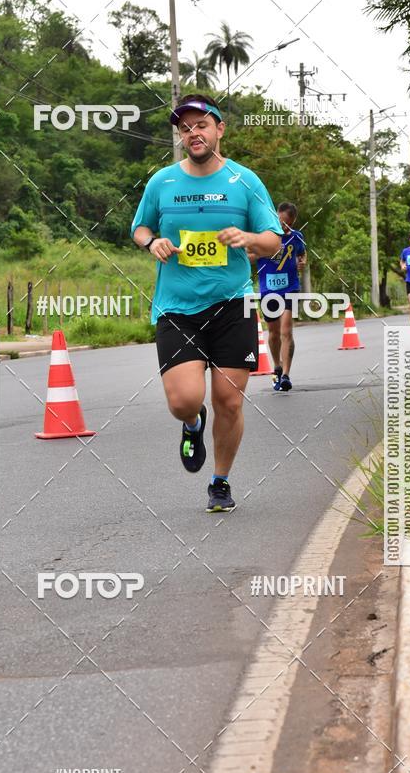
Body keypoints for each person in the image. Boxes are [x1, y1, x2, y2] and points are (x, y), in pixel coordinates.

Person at [130, 94, 283, 512]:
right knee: (183, 400)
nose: (193, 134)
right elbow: (140, 227)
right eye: (185, 129)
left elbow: (273, 240)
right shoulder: (162, 182)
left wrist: (248, 238)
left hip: (232, 305)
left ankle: (220, 481)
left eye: (201, 125)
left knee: (229, 401)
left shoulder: (245, 181)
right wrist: (153, 242)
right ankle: (192, 425)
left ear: (219, 129)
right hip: (177, 307)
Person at [253, 202, 306, 391]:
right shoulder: (265, 236)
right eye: (280, 221)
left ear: (293, 222)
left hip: (290, 288)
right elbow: (249, 255)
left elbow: (302, 254)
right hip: (268, 290)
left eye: (287, 224)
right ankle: (277, 366)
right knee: (274, 333)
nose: (283, 227)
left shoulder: (297, 237)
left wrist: (301, 262)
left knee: (286, 330)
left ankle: (286, 376)